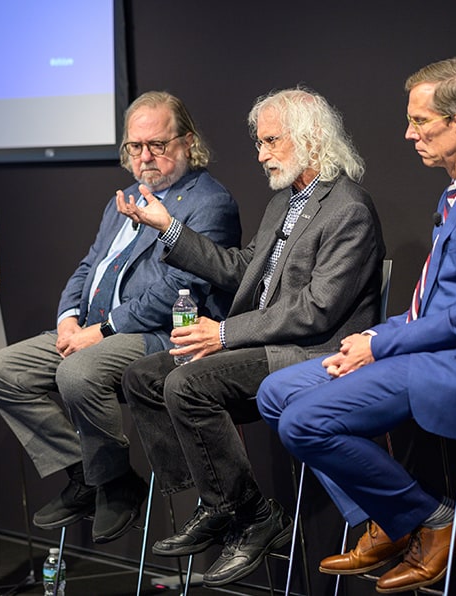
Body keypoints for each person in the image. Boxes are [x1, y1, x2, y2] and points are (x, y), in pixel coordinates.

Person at [257, 57, 456, 593]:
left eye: (420, 121)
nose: (408, 133)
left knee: (303, 422)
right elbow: (435, 305)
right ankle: (391, 519)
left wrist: (381, 345)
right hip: (437, 350)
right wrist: (375, 335)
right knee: (275, 393)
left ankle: (437, 520)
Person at [116, 87, 385, 587]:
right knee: (143, 377)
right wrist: (169, 228)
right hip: (262, 342)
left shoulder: (348, 208)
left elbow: (316, 310)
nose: (260, 154)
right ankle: (221, 503)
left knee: (187, 385)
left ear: (310, 137)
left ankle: (250, 514)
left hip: (311, 352)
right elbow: (243, 269)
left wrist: (223, 332)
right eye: (260, 142)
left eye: (270, 141)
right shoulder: (286, 201)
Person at [0, 91, 241, 544]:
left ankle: (114, 482)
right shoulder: (125, 198)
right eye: (135, 147)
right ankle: (88, 473)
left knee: (77, 372)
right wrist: (68, 318)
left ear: (188, 142)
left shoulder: (209, 202)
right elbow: (89, 265)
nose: (145, 157)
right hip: (94, 328)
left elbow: (179, 292)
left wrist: (102, 330)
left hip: (162, 335)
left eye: (157, 145)